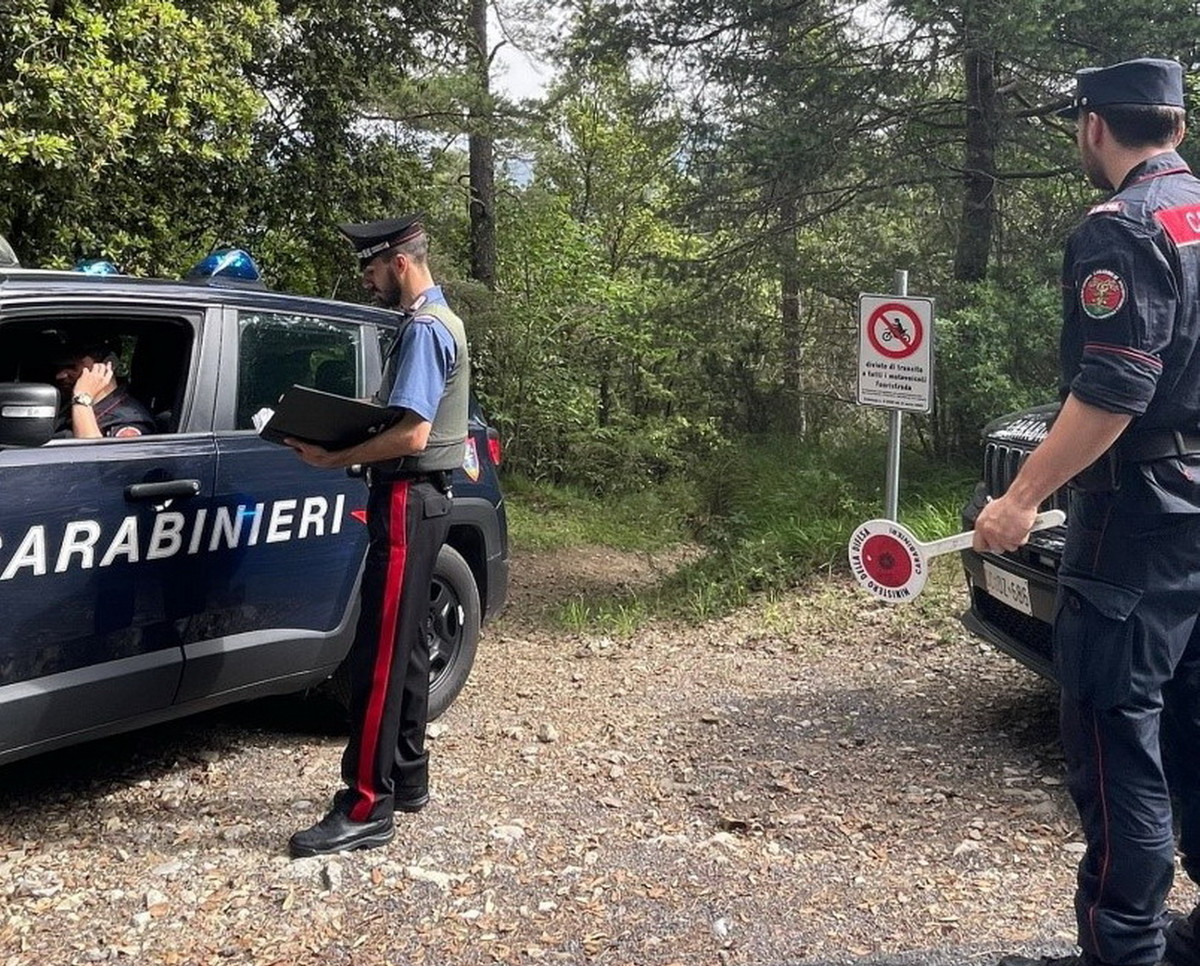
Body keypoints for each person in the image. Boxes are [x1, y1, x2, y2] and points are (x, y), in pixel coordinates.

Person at [973, 58, 1200, 966]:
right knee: (1193, 721)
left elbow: (1114, 387)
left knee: (1116, 736)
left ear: (1094, 127)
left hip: (1138, 524)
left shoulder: (1124, 226)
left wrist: (1021, 499)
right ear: (1176, 127)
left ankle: (1125, 950)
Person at [286, 214, 470, 858]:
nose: (367, 281)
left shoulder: (421, 329)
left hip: (402, 497)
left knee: (380, 653)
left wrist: (332, 457)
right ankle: (408, 776)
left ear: (398, 262)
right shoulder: (443, 319)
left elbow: (414, 435)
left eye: (369, 268)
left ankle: (366, 804)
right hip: (426, 502)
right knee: (411, 642)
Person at [53, 339, 156, 439]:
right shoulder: (66, 405)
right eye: (59, 368)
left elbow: (93, 454)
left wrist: (82, 397)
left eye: (71, 367)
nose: (60, 376)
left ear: (108, 363)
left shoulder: (127, 420)